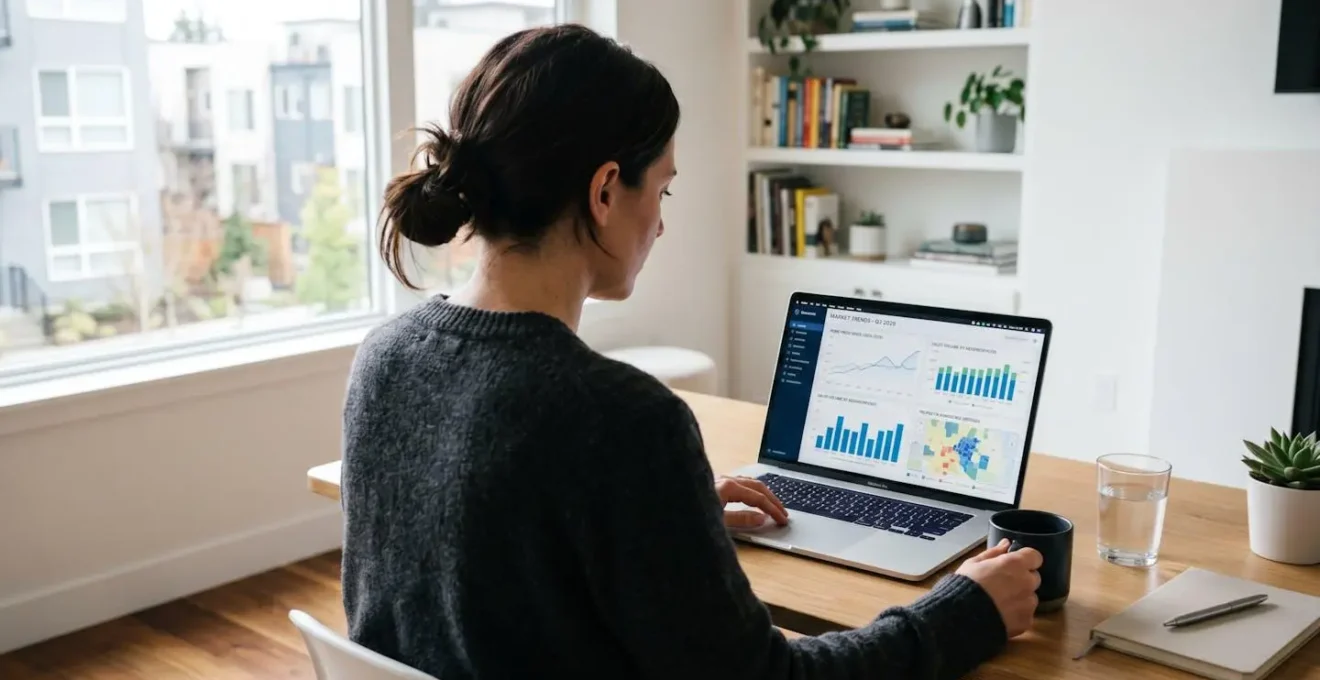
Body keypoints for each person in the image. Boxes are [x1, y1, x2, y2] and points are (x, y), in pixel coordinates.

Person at [340, 23, 1043, 680]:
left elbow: (496, 544)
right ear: (606, 190)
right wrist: (964, 612)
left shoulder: (384, 360)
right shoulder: (621, 418)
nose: (663, 223)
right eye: (664, 187)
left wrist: (662, 522)